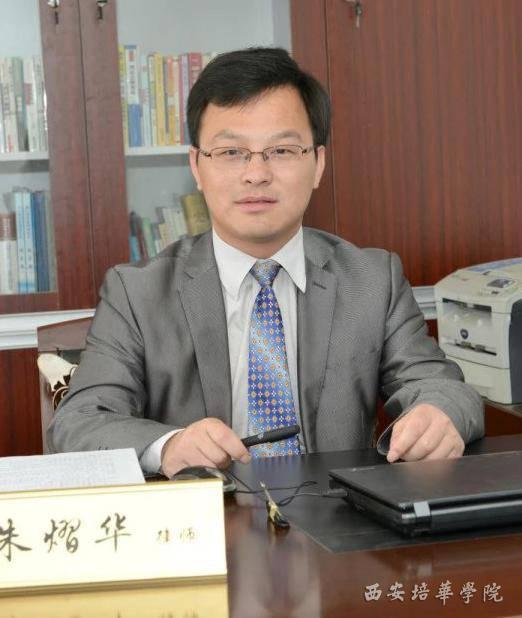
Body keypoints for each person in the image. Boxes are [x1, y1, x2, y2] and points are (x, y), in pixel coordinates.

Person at [48, 47, 483, 477]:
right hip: (207, 515)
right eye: (231, 152)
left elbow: (444, 388)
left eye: (282, 151)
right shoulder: (137, 293)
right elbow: (79, 423)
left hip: (338, 514)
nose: (256, 174)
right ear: (197, 167)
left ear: (318, 164)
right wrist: (169, 446)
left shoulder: (372, 280)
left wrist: (439, 413)